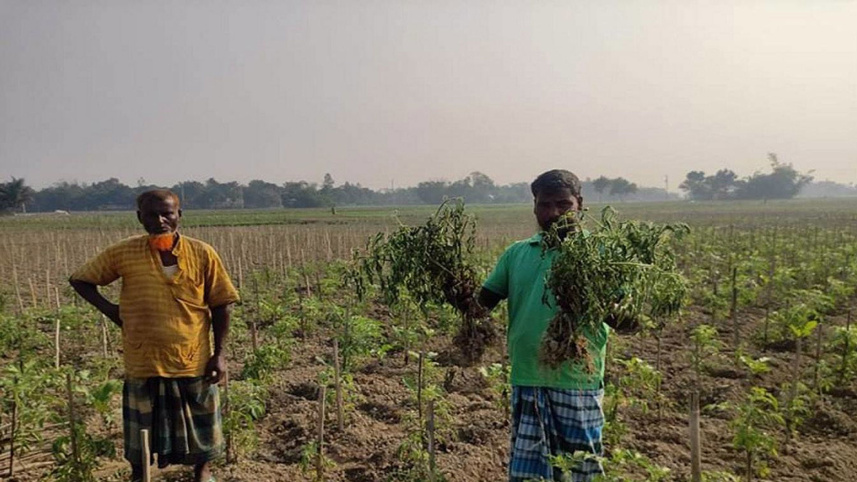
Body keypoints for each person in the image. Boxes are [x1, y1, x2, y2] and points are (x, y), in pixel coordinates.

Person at [69, 189, 239, 482]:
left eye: (167, 214)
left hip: (193, 358)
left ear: (179, 216)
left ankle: (202, 473)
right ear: (140, 218)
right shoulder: (123, 253)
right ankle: (140, 475)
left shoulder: (202, 253)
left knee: (202, 431)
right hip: (144, 358)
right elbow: (81, 279)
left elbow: (222, 304)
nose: (160, 220)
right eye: (152, 214)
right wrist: (112, 311)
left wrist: (219, 354)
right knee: (142, 431)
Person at [478, 169, 634, 482]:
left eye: (563, 205)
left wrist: (591, 296)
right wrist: (447, 282)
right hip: (527, 377)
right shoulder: (517, 253)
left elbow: (627, 322)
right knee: (529, 472)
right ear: (534, 207)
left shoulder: (604, 255)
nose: (554, 213)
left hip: (576, 378)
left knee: (580, 470)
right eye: (545, 204)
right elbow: (482, 304)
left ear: (580, 205)